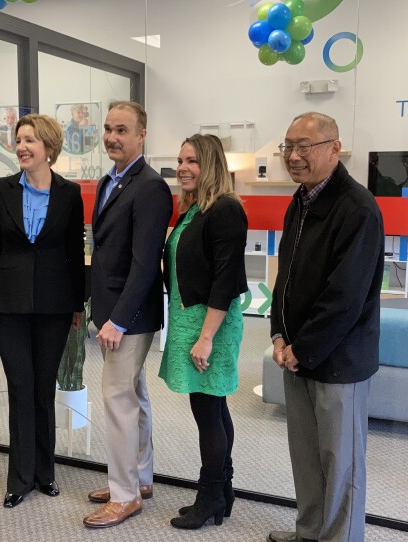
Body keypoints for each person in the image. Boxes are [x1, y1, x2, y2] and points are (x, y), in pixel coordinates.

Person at [268, 112, 384, 542]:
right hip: (297, 355)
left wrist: (303, 348)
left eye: (305, 147)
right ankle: (309, 533)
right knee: (307, 458)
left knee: (342, 465)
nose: (294, 156)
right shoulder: (300, 201)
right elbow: (286, 277)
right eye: (288, 147)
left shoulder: (357, 208)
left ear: (334, 149)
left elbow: (346, 296)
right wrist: (279, 334)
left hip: (338, 361)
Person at [0, 114, 85, 508]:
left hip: (56, 306)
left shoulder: (70, 193)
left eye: (30, 141)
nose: (21, 146)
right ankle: (19, 478)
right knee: (21, 388)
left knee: (43, 389)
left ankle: (45, 472)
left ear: (49, 149)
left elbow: (76, 253)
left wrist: (78, 306)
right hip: (8, 305)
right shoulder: (3, 190)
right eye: (18, 140)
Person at [82, 101, 173, 529]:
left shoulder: (150, 187)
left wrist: (117, 319)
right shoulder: (109, 181)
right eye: (107, 129)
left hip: (129, 315)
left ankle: (124, 496)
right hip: (112, 309)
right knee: (132, 394)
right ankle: (139, 479)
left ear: (142, 135)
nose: (112, 137)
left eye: (122, 130)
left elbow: (144, 263)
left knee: (117, 400)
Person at [158, 134, 248, 530]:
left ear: (210, 163)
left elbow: (227, 278)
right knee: (213, 406)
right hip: (189, 320)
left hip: (211, 323)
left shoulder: (225, 210)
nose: (182, 167)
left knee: (207, 410)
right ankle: (223, 489)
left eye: (191, 160)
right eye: (179, 160)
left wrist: (207, 336)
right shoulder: (194, 209)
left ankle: (209, 495)